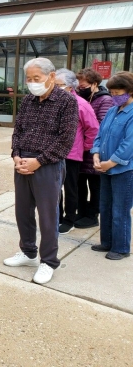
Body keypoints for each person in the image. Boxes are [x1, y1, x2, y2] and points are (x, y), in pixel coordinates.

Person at [4, 57, 78, 284]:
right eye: (29, 79)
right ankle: (28, 252)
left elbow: (66, 139)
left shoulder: (66, 102)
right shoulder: (28, 101)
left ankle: (48, 261)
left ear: (51, 76)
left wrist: (39, 161)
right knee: (23, 212)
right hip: (23, 163)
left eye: (37, 78)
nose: (33, 83)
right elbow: (18, 130)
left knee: (48, 216)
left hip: (47, 165)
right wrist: (16, 155)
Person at [90, 71, 133, 261]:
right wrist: (96, 155)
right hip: (105, 166)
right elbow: (100, 135)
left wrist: (111, 162)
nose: (114, 97)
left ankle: (121, 247)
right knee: (105, 205)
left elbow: (129, 144)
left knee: (120, 209)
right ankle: (106, 241)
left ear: (130, 91)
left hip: (124, 169)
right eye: (112, 93)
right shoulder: (111, 111)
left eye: (118, 93)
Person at [54, 69, 98, 234]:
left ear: (71, 86)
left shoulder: (81, 104)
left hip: (72, 154)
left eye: (59, 85)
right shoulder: (52, 101)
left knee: (70, 187)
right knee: (53, 188)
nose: (55, 88)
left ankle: (69, 219)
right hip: (52, 152)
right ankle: (56, 217)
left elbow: (93, 130)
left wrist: (83, 148)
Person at [75, 67, 114, 228]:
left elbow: (100, 127)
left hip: (94, 151)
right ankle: (82, 211)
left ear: (95, 84)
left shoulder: (105, 100)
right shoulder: (84, 98)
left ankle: (92, 215)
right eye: (78, 87)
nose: (80, 89)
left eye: (83, 86)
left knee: (95, 184)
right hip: (80, 150)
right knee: (80, 183)